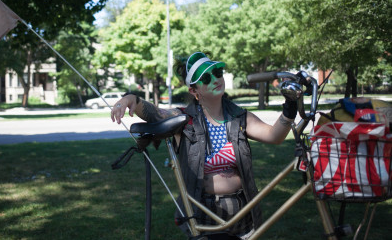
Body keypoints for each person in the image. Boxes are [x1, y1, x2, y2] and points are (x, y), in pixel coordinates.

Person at [110, 52, 298, 240]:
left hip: (242, 215)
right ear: (194, 91)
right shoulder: (185, 120)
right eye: (206, 78)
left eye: (218, 72)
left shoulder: (239, 117)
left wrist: (290, 107)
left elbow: (274, 136)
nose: (216, 79)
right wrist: (129, 99)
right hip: (204, 217)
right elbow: (155, 114)